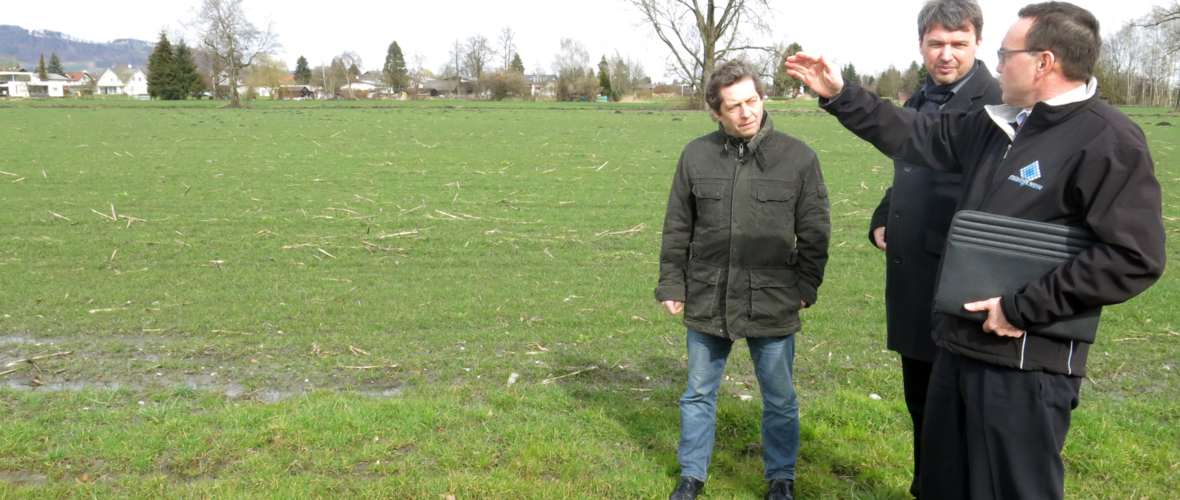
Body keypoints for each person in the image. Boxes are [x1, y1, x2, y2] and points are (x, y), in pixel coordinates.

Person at [785, 2, 1166, 499]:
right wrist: (841, 94)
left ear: (1044, 62)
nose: (999, 63)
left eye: (1007, 54)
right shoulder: (1001, 124)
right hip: (957, 347)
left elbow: (1133, 257)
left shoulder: (1108, 140)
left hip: (1024, 364)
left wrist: (1021, 308)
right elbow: (919, 135)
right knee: (942, 485)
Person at [655, 60, 830, 500]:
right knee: (697, 394)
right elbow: (678, 225)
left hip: (772, 300)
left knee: (780, 399)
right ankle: (691, 476)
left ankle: (781, 480)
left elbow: (815, 230)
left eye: (752, 100)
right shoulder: (695, 156)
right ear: (716, 112)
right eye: (733, 106)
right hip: (707, 296)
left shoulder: (799, 157)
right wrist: (672, 284)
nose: (746, 112)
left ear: (762, 97)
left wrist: (806, 287)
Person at [868, 1, 1001, 497]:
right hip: (913, 280)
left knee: (962, 413)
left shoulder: (998, 101)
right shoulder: (920, 100)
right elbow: (911, 167)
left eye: (958, 44)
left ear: (978, 44)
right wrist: (886, 213)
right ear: (921, 44)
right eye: (936, 43)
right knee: (921, 402)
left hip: (964, 281)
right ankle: (926, 488)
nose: (946, 55)